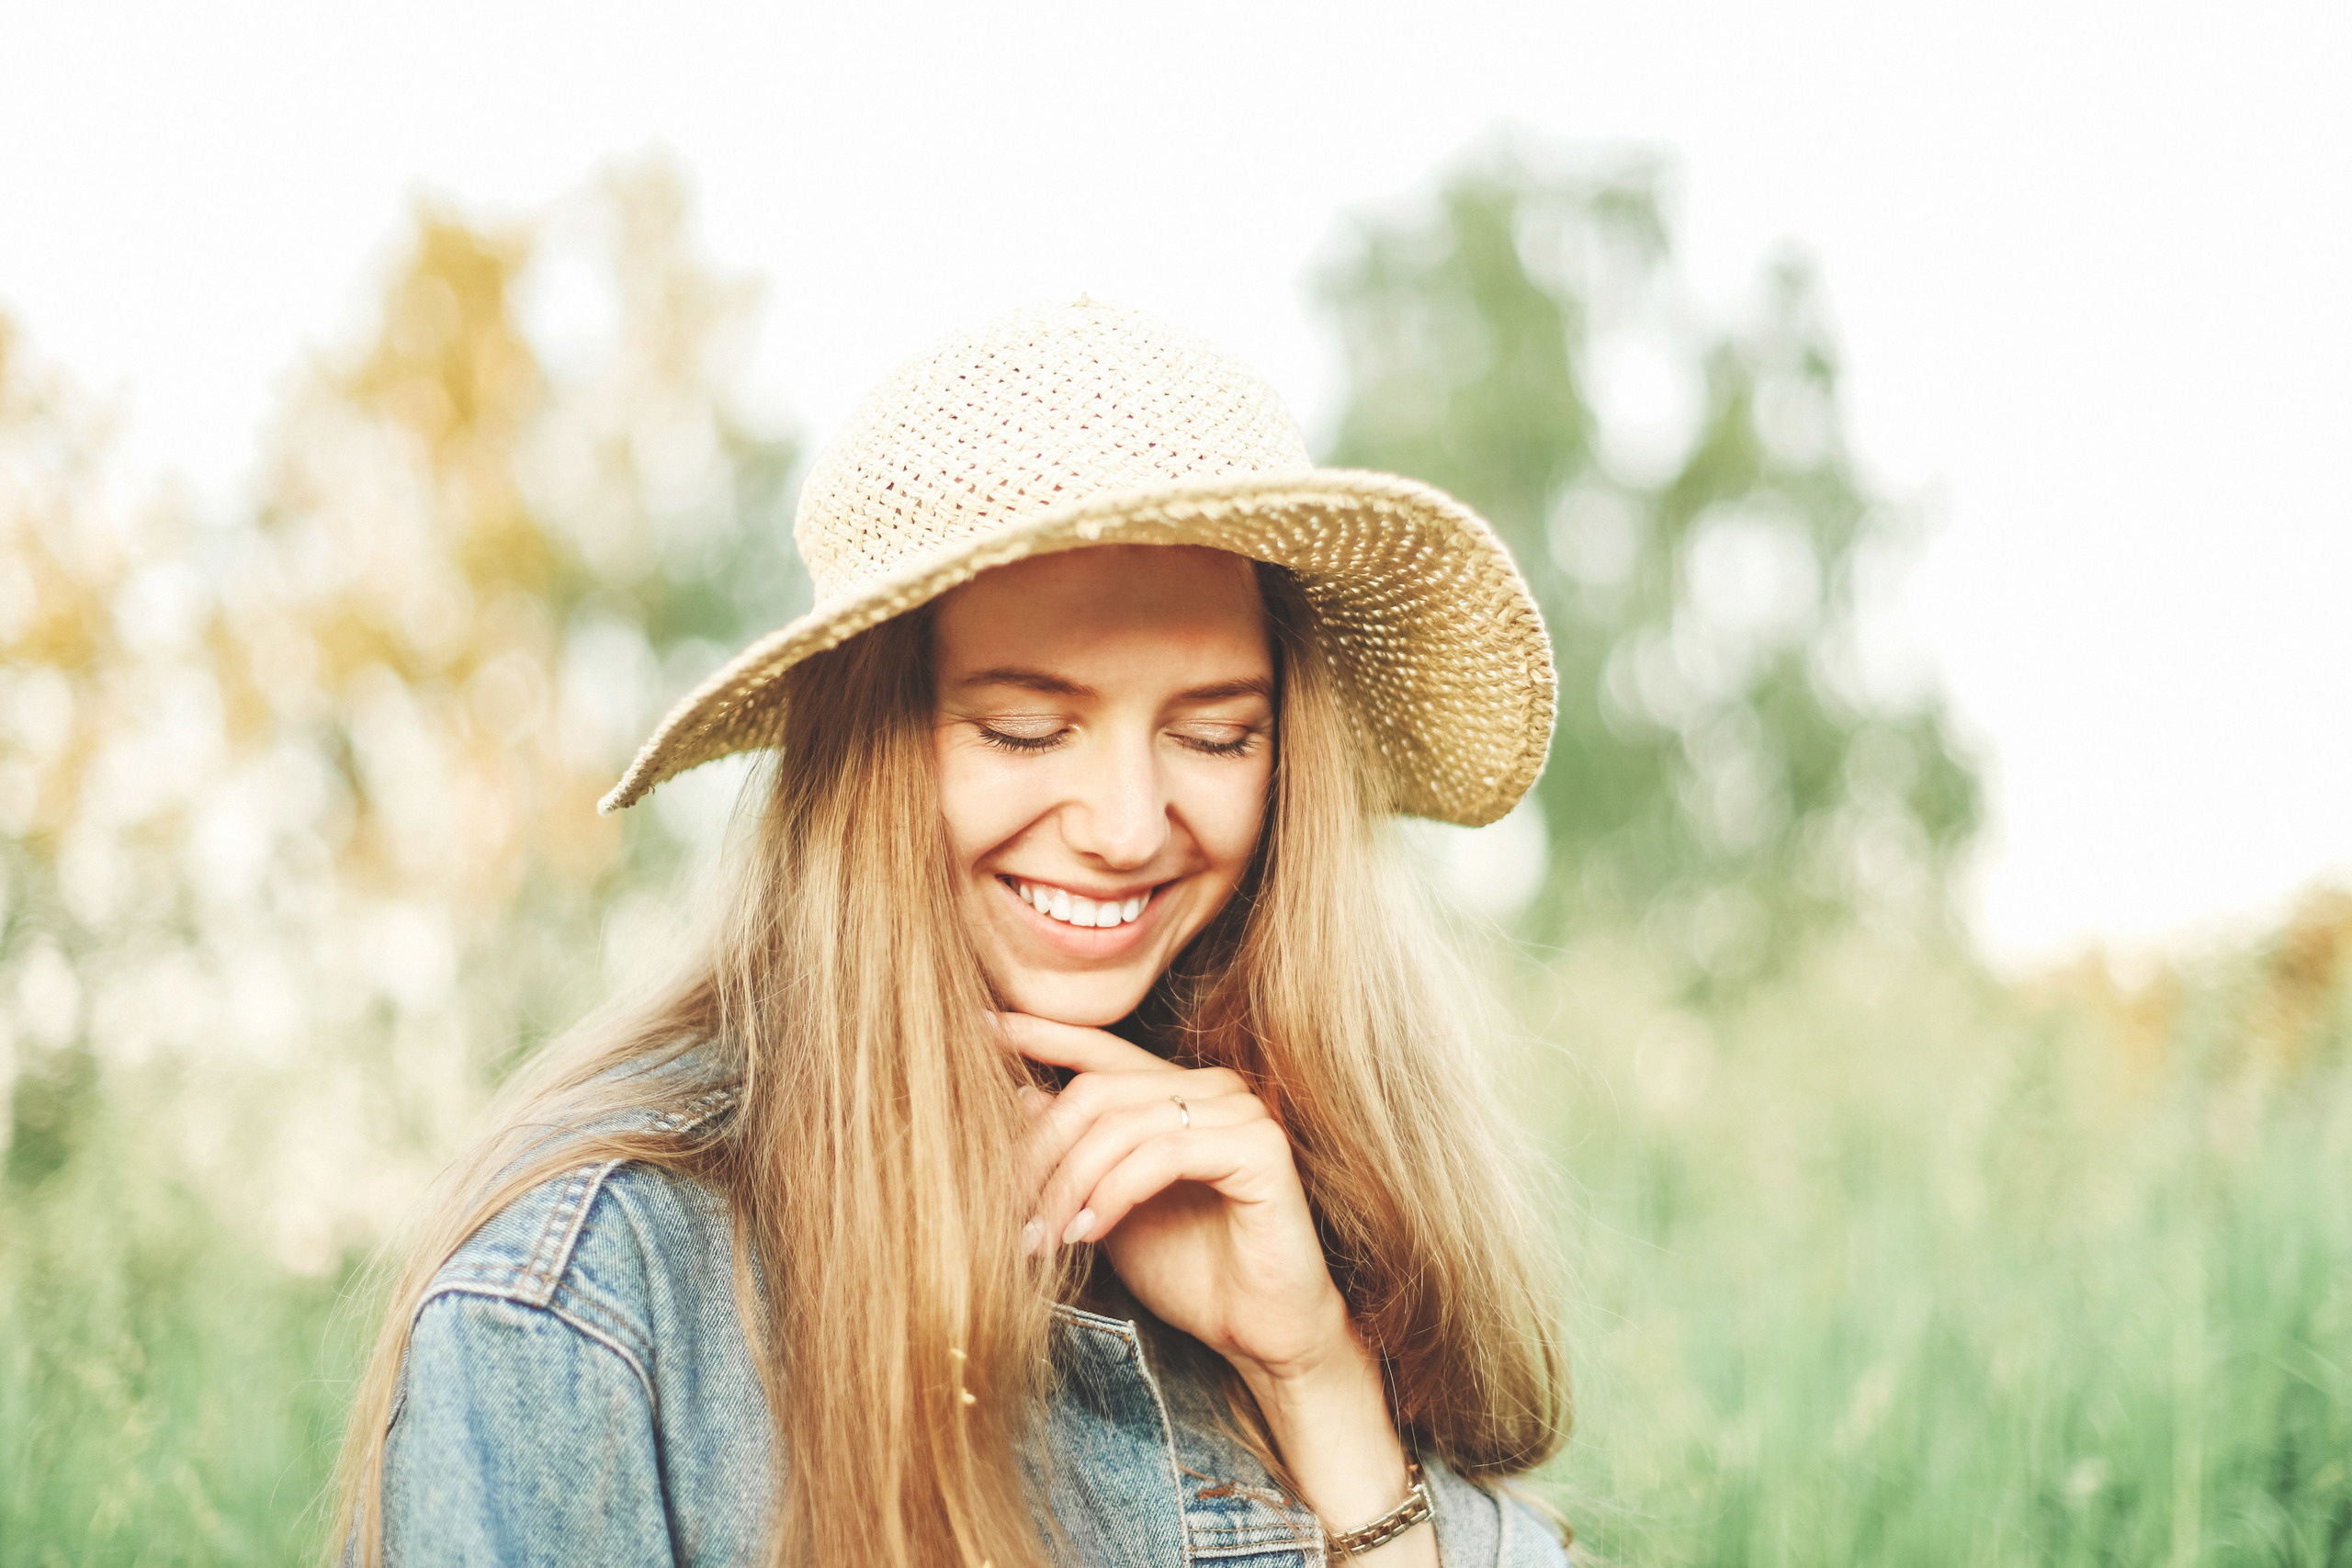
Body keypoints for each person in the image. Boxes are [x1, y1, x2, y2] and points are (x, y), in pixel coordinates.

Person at [333, 299, 1572, 1566]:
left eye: (1216, 737)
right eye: (1024, 732)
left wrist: (1315, 1380)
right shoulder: (593, 1290)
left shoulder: (1310, 1209)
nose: (1127, 827)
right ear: (866, 745)